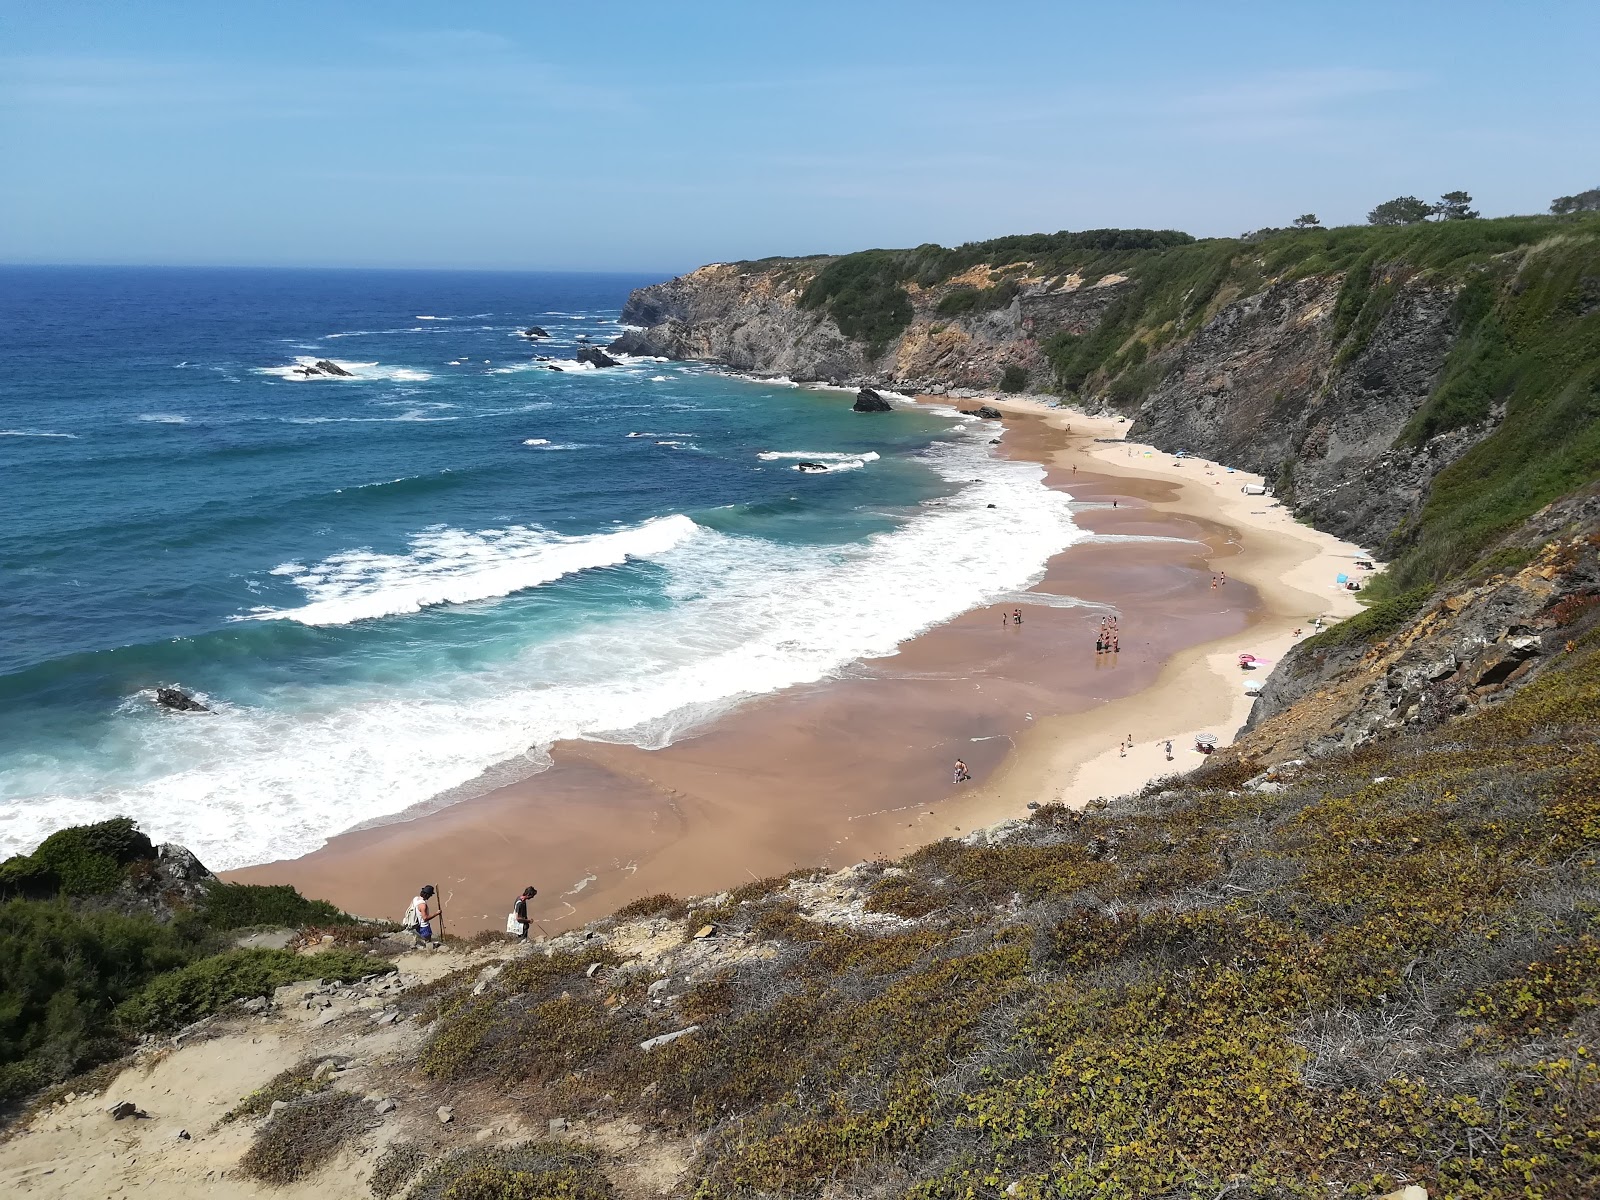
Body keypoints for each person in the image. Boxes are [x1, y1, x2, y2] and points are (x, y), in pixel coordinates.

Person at [410, 884, 439, 949]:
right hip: (424, 926)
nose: (430, 897)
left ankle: (419, 944)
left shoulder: (415, 899)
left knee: (421, 938)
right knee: (428, 942)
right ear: (427, 895)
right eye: (430, 895)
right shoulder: (423, 905)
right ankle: (426, 950)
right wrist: (436, 913)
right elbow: (425, 918)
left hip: (416, 924)